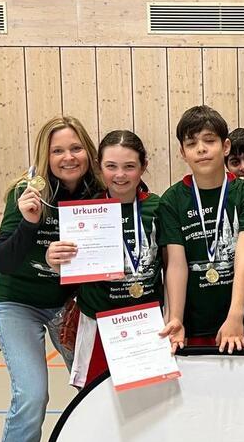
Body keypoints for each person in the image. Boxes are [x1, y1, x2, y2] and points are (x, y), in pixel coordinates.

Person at [0, 115, 103, 442]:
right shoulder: (27, 192)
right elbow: (3, 259)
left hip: (67, 305)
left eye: (75, 148)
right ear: (46, 157)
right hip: (18, 302)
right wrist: (31, 223)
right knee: (31, 395)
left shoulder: (98, 194)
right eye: (58, 151)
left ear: (87, 153)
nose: (68, 157)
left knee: (96, 387)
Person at [46, 131, 162, 389]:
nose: (120, 175)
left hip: (147, 323)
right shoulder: (84, 210)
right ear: (100, 167)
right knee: (95, 402)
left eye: (129, 166)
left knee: (151, 401)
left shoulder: (158, 208)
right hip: (98, 324)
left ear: (144, 166)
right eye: (111, 166)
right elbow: (67, 262)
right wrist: (55, 259)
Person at [156, 106, 244, 353]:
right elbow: (175, 264)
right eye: (192, 144)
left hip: (239, 321)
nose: (201, 149)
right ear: (182, 152)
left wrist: (236, 316)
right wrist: (177, 319)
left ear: (225, 147)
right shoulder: (172, 200)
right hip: (194, 323)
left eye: (209, 141)